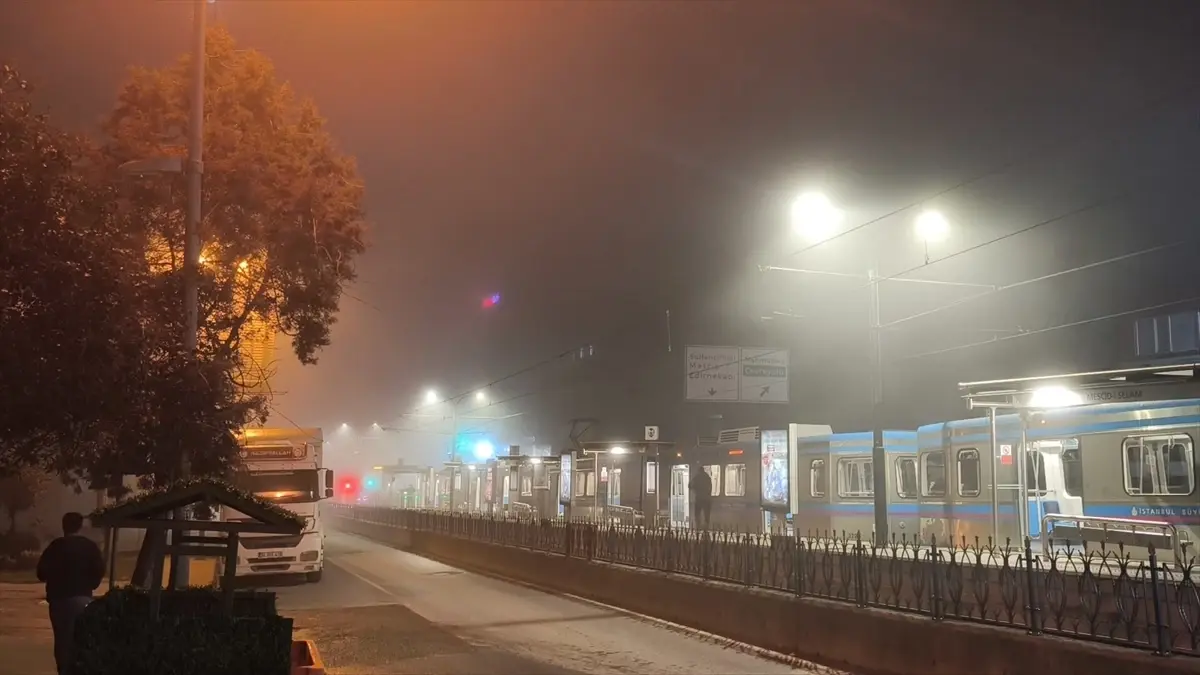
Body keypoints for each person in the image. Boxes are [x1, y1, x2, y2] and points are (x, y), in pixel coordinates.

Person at [36, 512, 105, 675]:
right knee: (83, 638)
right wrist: (91, 585)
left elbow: (41, 573)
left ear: (63, 526)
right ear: (80, 526)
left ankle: (64, 670)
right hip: (83, 598)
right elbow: (99, 570)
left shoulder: (55, 547)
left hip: (59, 601)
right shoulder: (90, 547)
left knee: (62, 640)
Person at [688, 464, 713, 530]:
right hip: (707, 499)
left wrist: (695, 489)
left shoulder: (697, 477)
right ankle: (706, 527)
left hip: (699, 498)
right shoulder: (707, 477)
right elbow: (710, 487)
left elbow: (689, 485)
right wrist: (708, 494)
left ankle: (698, 526)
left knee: (697, 514)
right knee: (706, 514)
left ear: (699, 471)